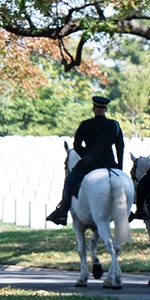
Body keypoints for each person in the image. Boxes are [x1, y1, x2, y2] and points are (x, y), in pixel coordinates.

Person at [46, 95, 125, 226]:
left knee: (70, 183)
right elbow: (120, 147)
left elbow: (76, 146)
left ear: (94, 109)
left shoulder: (85, 125)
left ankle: (62, 214)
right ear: (105, 109)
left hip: (88, 164)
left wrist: (86, 154)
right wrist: (118, 167)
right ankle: (128, 213)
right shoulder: (114, 125)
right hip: (109, 164)